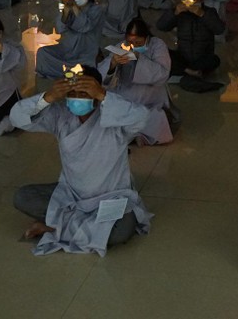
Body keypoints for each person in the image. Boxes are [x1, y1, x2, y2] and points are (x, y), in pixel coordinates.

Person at [10, 69, 152, 256]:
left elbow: (142, 117)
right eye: (73, 93)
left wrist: (103, 94)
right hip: (72, 194)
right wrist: (49, 96)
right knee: (23, 197)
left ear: (96, 94)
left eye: (84, 92)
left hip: (110, 197)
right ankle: (83, 228)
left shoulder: (115, 118)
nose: (77, 98)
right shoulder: (61, 115)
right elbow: (17, 117)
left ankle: (56, 228)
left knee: (121, 232)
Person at [98, 18, 173, 145]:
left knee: (151, 119)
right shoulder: (121, 46)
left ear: (146, 38)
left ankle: (141, 134)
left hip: (149, 95)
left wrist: (139, 58)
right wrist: (114, 63)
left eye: (138, 42)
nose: (133, 46)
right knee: (110, 115)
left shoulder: (157, 45)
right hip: (124, 94)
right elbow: (103, 77)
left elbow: (163, 73)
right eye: (130, 42)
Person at [36, 0, 105, 77]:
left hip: (85, 51)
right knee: (42, 53)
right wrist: (66, 12)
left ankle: (70, 73)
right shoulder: (70, 7)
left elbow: (85, 27)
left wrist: (76, 9)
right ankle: (64, 73)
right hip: (67, 49)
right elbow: (60, 29)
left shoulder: (96, 10)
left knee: (84, 68)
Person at [156, 0, 226, 79]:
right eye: (190, 0)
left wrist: (202, 14)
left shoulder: (209, 12)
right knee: (164, 54)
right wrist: (174, 13)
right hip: (183, 56)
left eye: (196, 1)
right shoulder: (180, 13)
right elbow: (161, 26)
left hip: (202, 57)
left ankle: (186, 71)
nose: (192, 4)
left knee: (214, 60)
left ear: (202, 0)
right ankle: (190, 71)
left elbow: (220, 29)